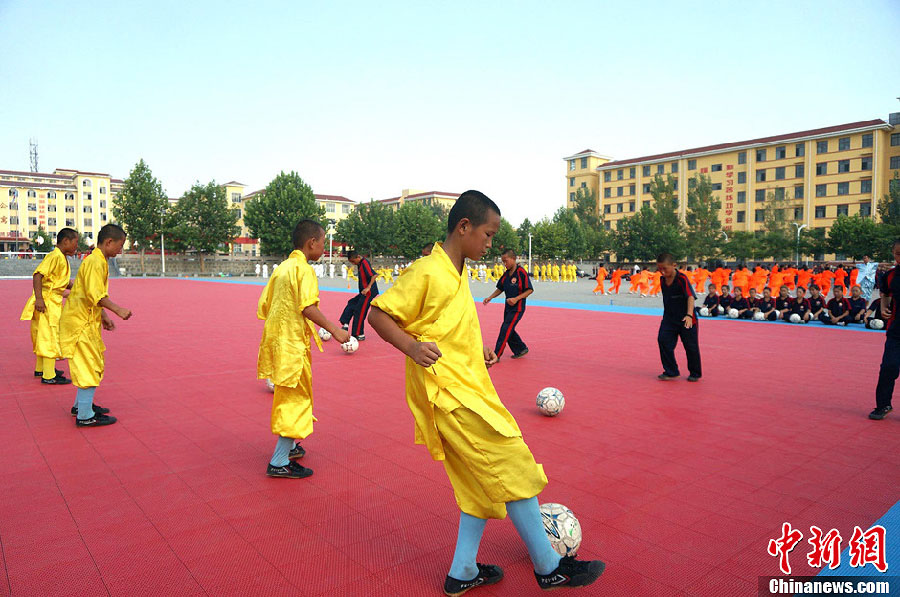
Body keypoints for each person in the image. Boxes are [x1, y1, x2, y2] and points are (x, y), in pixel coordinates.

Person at [368, 191, 605, 594]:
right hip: (451, 394)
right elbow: (377, 312)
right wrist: (410, 346)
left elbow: (445, 324)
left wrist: (477, 349)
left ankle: (461, 572)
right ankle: (549, 567)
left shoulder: (456, 270)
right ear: (464, 227)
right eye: (488, 234)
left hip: (469, 384)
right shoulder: (428, 270)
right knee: (514, 462)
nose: (491, 244)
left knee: (479, 486)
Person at [257, 220, 350, 478]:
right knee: (295, 399)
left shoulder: (283, 268)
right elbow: (307, 307)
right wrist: (336, 330)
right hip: (292, 345)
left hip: (277, 341)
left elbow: (264, 306)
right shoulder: (303, 269)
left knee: (290, 394)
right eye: (322, 243)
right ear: (312, 243)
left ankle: (292, 447)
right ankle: (279, 460)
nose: (323, 248)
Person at [59, 224, 132, 427]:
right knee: (88, 365)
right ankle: (84, 415)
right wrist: (117, 309)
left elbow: (89, 293)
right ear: (109, 242)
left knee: (92, 362)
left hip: (86, 319)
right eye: (120, 245)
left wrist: (103, 316)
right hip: (79, 323)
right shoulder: (95, 262)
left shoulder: (99, 261)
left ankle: (82, 406)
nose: (120, 250)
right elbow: (94, 293)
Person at [20, 228, 79, 385]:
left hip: (51, 300)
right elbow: (38, 275)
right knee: (50, 335)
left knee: (43, 334)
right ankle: (48, 374)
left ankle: (42, 368)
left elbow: (61, 282)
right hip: (47, 302)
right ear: (66, 241)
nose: (76, 246)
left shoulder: (61, 258)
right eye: (75, 243)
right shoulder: (55, 256)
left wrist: (78, 288)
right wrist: (39, 298)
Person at [656, 253, 701, 382]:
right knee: (663, 341)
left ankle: (695, 373)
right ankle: (671, 371)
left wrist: (689, 315)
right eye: (659, 269)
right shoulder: (662, 280)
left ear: (674, 265)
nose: (662, 272)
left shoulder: (682, 279)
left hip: (686, 318)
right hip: (669, 319)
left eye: (665, 268)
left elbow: (690, 297)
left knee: (690, 346)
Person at [482, 249, 533, 360]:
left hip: (517, 308)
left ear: (514, 259)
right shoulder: (506, 274)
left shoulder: (521, 272)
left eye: (506, 261)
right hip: (508, 308)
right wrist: (490, 297)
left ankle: (496, 355)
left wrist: (516, 299)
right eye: (503, 262)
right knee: (509, 329)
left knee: (505, 329)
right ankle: (521, 348)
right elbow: (500, 288)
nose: (504, 264)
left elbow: (529, 290)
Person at [870, 240, 900, 419]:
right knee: (889, 367)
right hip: (896, 331)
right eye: (897, 253)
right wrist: (883, 309)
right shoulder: (890, 275)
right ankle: (883, 405)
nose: (899, 257)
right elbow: (886, 295)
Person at [339, 250, 379, 340]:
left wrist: (368, 288)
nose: (353, 263)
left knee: (359, 312)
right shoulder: (359, 263)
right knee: (351, 303)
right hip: (363, 292)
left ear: (358, 257)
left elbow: (374, 275)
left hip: (368, 293)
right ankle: (345, 324)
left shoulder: (364, 263)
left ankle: (358, 334)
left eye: (353, 261)